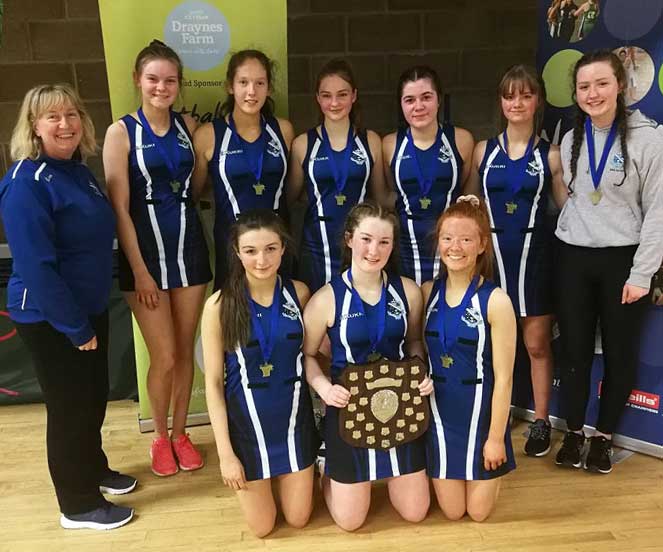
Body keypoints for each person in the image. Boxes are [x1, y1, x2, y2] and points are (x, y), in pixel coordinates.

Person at [0, 83, 136, 529]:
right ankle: (77, 505)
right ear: (34, 126)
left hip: (88, 307)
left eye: (72, 114)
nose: (65, 124)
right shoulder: (26, 183)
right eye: (53, 117)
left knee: (92, 396)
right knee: (69, 407)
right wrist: (74, 327)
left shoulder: (78, 172)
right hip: (50, 317)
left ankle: (93, 468)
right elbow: (36, 268)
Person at [103, 40, 212, 477]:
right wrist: (140, 271)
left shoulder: (189, 126)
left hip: (189, 249)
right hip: (144, 256)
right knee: (163, 356)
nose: (161, 87)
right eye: (153, 79)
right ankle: (160, 438)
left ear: (179, 84)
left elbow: (198, 187)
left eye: (169, 80)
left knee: (184, 352)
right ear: (138, 80)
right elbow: (118, 208)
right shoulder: (121, 132)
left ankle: (182, 434)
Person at [553, 49, 663, 474]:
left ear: (620, 85)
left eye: (601, 83)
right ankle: (574, 432)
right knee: (574, 352)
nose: (592, 93)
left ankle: (603, 437)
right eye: (584, 86)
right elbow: (576, 198)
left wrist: (642, 273)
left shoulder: (648, 139)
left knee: (619, 353)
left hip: (623, 261)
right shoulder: (571, 138)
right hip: (574, 258)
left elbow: (658, 213)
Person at [303, 202, 433, 531]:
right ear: (349, 239)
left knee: (415, 512)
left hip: (400, 408)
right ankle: (328, 470)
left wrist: (420, 372)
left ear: (392, 245)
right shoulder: (325, 299)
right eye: (366, 239)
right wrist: (323, 388)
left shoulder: (408, 291)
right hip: (350, 408)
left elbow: (414, 342)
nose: (374, 250)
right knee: (350, 522)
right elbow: (307, 356)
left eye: (384, 242)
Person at [465, 65, 565, 457]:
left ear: (538, 101)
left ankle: (541, 420)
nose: (517, 103)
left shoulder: (551, 155)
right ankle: (498, 412)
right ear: (501, 102)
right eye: (509, 96)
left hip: (534, 257)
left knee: (536, 343)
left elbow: (567, 208)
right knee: (492, 343)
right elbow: (470, 204)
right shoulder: (483, 151)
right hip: (492, 259)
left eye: (525, 95)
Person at [201, 209, 316, 537]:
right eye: (250, 251)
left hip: (294, 425)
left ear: (283, 248)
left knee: (298, 519)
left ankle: (309, 471)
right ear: (237, 253)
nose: (262, 260)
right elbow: (213, 383)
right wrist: (226, 455)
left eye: (270, 249)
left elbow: (314, 355)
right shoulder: (219, 306)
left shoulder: (300, 293)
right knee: (263, 528)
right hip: (247, 430)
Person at [422, 195, 517, 521]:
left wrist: (495, 439)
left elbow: (504, 379)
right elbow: (415, 348)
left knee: (478, 514)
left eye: (466, 239)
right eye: (447, 238)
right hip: (440, 415)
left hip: (480, 415)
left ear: (482, 245)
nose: (455, 247)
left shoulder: (497, 301)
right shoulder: (427, 292)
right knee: (452, 512)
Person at [192, 49, 295, 290]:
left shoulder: (284, 131)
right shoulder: (208, 135)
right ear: (230, 86)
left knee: (279, 308)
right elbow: (196, 193)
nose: (251, 91)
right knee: (234, 310)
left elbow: (290, 190)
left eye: (260, 83)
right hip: (232, 246)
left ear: (269, 88)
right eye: (243, 82)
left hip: (276, 244)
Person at [288, 59, 387, 292]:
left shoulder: (371, 141)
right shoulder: (302, 144)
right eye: (326, 95)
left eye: (342, 95)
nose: (334, 103)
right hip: (316, 249)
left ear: (354, 96)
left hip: (361, 247)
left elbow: (381, 196)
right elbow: (291, 197)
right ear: (317, 98)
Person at [383, 65, 474, 285]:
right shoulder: (389, 144)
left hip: (451, 248)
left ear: (439, 99)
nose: (419, 106)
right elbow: (387, 195)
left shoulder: (461, 140)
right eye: (410, 100)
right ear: (401, 104)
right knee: (410, 303)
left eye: (426, 97)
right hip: (406, 249)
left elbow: (465, 194)